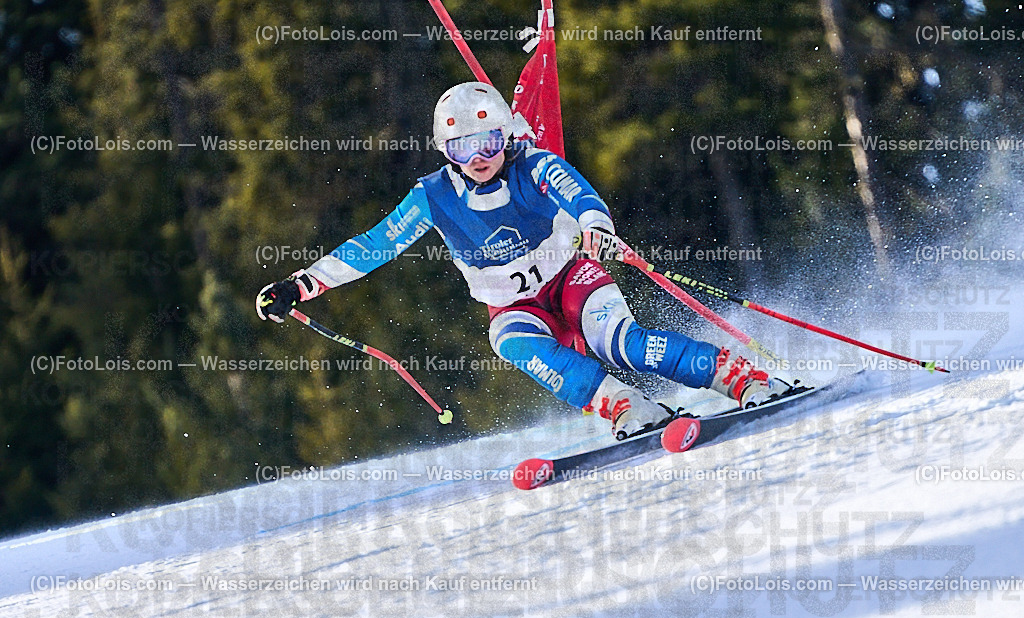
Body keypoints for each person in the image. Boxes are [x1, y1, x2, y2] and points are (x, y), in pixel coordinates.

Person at [258, 82, 780, 438]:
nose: (479, 158)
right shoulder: (432, 196)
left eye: (487, 141)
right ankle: (623, 405)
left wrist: (596, 228)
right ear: (445, 150)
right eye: (462, 148)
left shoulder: (532, 164)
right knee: (508, 339)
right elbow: (376, 245)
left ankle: (739, 377)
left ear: (505, 135)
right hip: (514, 306)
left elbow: (580, 195)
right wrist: (302, 285)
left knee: (619, 342)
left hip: (570, 277)